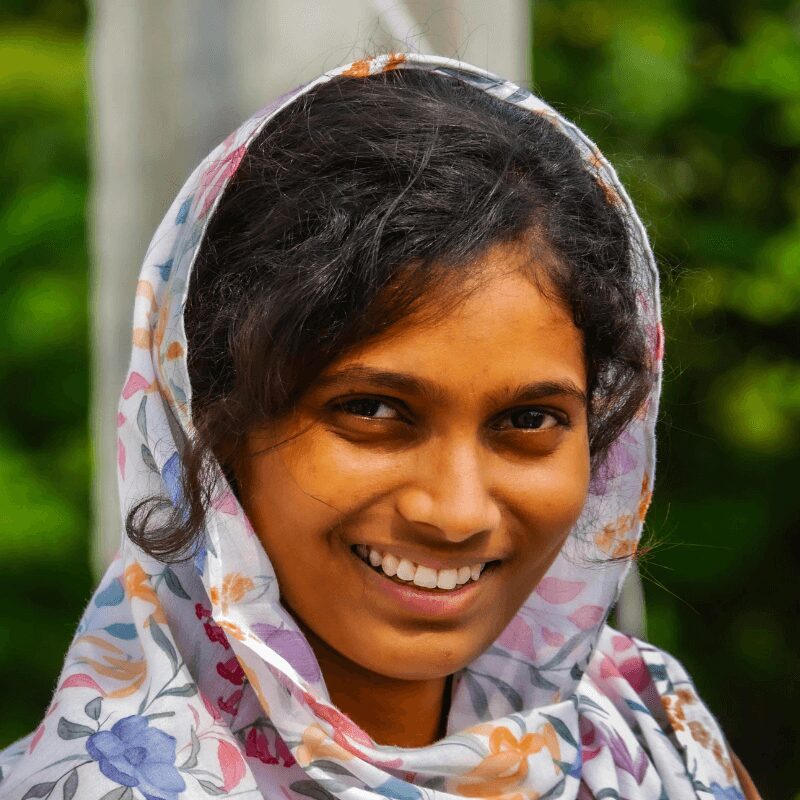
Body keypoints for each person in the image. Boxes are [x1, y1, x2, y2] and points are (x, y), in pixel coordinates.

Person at [0, 54, 759, 800]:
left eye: (528, 420)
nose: (456, 513)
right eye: (372, 411)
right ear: (208, 418)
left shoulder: (652, 739)